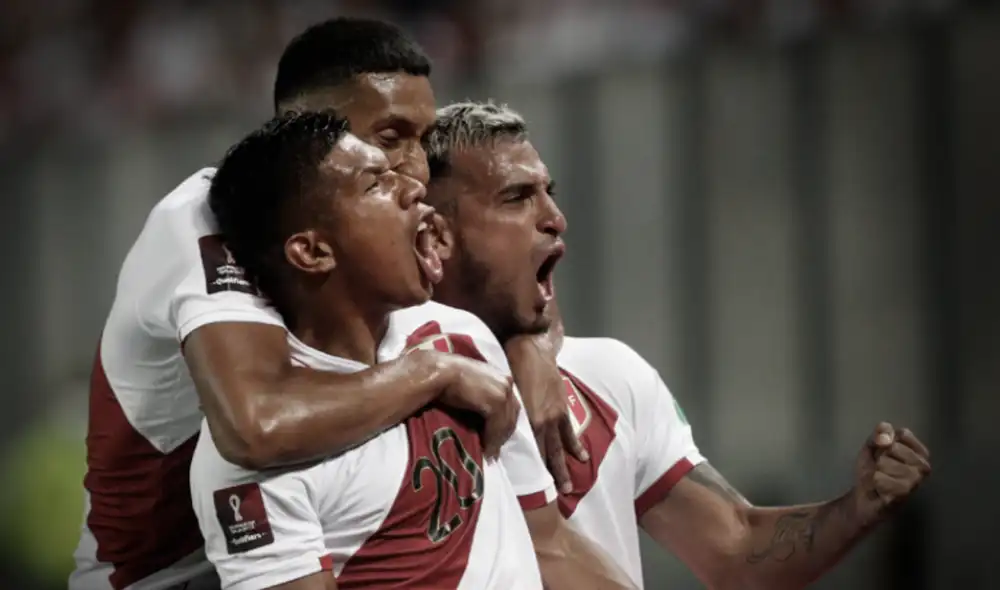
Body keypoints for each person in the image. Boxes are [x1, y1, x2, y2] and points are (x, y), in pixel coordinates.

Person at [70, 19, 578, 590]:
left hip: (307, 541)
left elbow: (501, 273)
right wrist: (436, 370)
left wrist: (529, 346)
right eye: (390, 138)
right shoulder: (201, 225)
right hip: (170, 577)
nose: (415, 169)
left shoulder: (379, 205)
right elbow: (256, 426)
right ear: (306, 129)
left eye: (423, 137)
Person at [421, 100, 933, 589]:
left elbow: (734, 551)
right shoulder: (389, 401)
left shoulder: (610, 376)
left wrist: (856, 507)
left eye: (548, 192)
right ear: (436, 234)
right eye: (516, 197)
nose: (554, 217)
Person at [190, 110, 634, 590]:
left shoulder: (459, 338)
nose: (414, 188)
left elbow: (551, 546)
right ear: (313, 252)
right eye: (376, 184)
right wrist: (432, 373)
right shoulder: (250, 469)